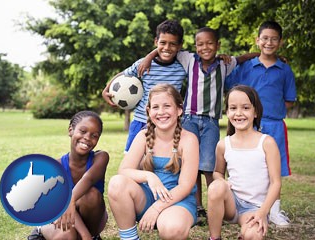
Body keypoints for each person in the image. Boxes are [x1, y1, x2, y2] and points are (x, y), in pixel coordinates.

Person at [138, 27, 258, 224]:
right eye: (200, 44)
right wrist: (149, 57)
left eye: (210, 43)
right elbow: (166, 48)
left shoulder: (225, 64)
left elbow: (244, 58)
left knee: (209, 165)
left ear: (218, 45)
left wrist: (265, 55)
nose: (205, 47)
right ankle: (198, 205)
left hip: (211, 121)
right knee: (190, 165)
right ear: (195, 46)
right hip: (189, 118)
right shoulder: (189, 59)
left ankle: (215, 205)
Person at [226, 20, 296, 227]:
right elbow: (231, 89)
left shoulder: (284, 69)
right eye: (265, 38)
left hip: (274, 125)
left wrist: (271, 112)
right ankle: (242, 206)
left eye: (274, 39)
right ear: (258, 40)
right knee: (247, 165)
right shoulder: (246, 66)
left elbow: (289, 99)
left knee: (276, 167)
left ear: (280, 42)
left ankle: (274, 211)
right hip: (248, 124)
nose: (269, 42)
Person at [107, 83, 199, 240]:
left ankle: (168, 220)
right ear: (149, 112)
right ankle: (130, 238)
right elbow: (124, 170)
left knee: (172, 230)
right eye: (155, 107)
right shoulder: (143, 136)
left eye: (167, 106)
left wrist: (157, 208)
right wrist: (150, 177)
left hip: (177, 201)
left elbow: (185, 186)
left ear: (179, 109)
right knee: (117, 183)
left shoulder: (189, 140)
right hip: (147, 197)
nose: (161, 112)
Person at [207, 85, 281, 240]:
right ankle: (214, 237)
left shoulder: (267, 143)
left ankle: (246, 232)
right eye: (233, 108)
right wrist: (222, 182)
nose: (238, 113)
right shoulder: (223, 144)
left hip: (254, 208)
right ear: (227, 112)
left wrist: (262, 212)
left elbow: (276, 183)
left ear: (255, 112)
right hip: (231, 204)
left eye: (246, 108)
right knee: (215, 187)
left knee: (253, 236)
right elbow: (218, 172)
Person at [102, 19, 186, 153]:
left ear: (180, 45)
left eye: (173, 44)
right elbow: (124, 74)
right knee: (133, 160)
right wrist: (106, 90)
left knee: (161, 161)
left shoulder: (183, 66)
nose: (167, 48)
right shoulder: (144, 64)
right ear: (155, 42)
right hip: (141, 121)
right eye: (163, 43)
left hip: (167, 123)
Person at [27, 111, 109, 240]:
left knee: (91, 194)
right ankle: (40, 232)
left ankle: (92, 236)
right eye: (82, 131)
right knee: (68, 235)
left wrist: (70, 199)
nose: (87, 137)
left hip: (90, 219)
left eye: (94, 135)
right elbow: (61, 205)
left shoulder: (101, 157)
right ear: (70, 130)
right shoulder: (56, 167)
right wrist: (84, 235)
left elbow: (89, 178)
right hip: (59, 216)